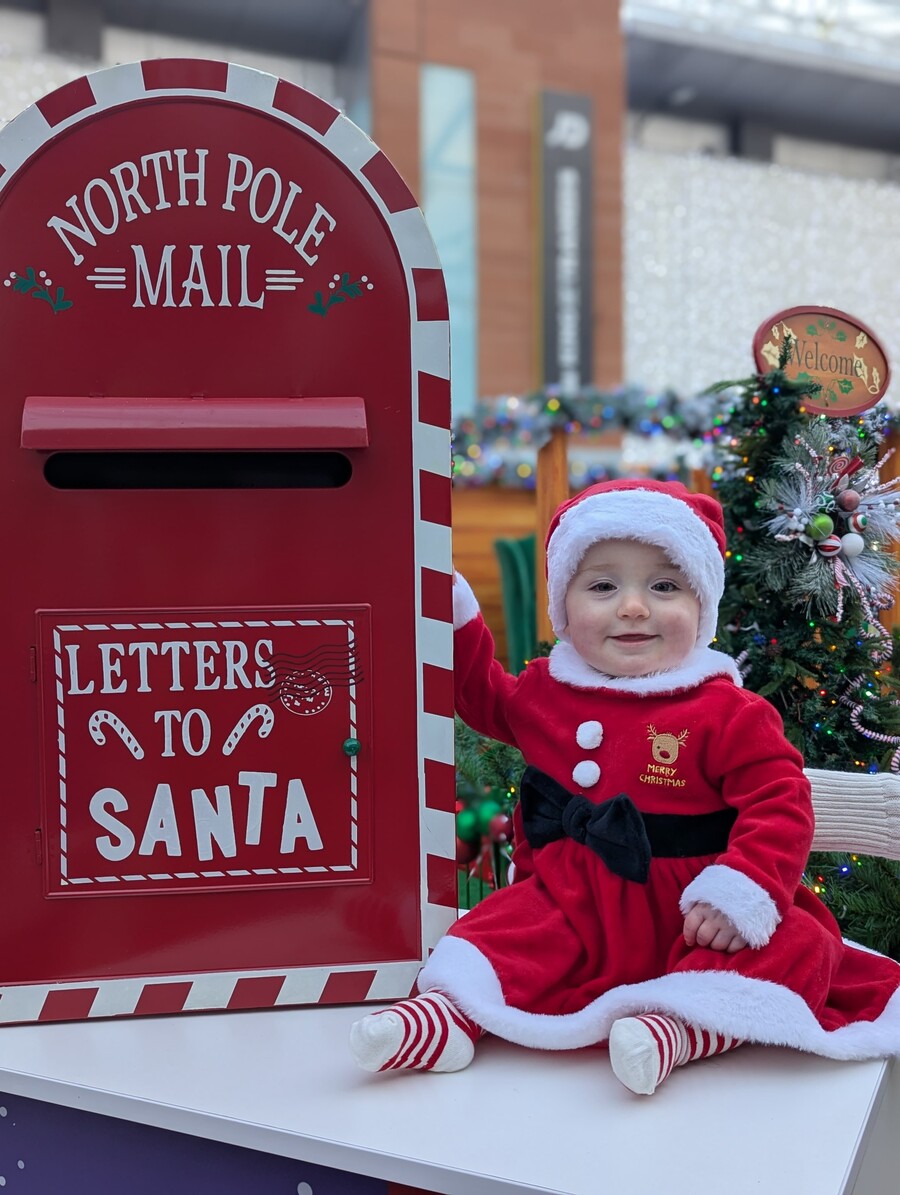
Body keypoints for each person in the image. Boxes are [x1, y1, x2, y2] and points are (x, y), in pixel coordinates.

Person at [349, 479, 900, 1094]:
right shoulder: (546, 689)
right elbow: (480, 694)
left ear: (702, 606)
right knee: (498, 931)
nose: (633, 607)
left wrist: (741, 890)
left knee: (793, 945)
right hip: (572, 902)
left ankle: (682, 1028)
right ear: (564, 606)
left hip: (692, 914)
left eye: (664, 586)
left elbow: (781, 803)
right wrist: (450, 614)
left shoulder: (727, 712)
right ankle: (447, 1013)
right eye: (602, 586)